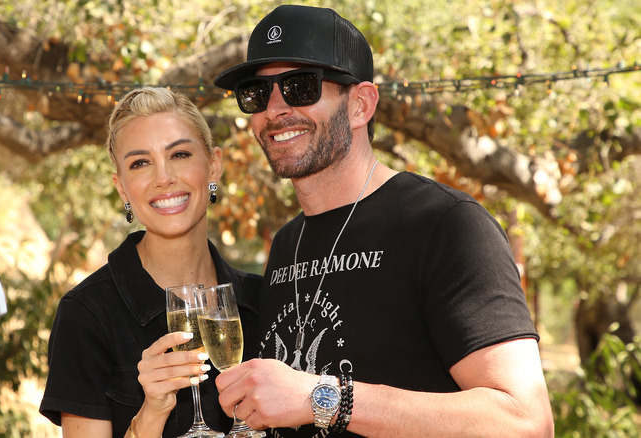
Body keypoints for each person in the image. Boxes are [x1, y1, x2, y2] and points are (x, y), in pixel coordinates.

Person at [211, 5, 554, 437]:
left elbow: (525, 422)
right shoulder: (287, 242)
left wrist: (323, 398)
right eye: (256, 94)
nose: (274, 109)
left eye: (300, 86)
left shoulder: (447, 225)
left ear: (360, 105)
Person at [39, 87, 261, 438]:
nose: (163, 178)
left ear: (214, 165)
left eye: (180, 154)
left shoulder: (265, 299)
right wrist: (151, 413)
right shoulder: (86, 316)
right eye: (140, 163)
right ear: (123, 188)